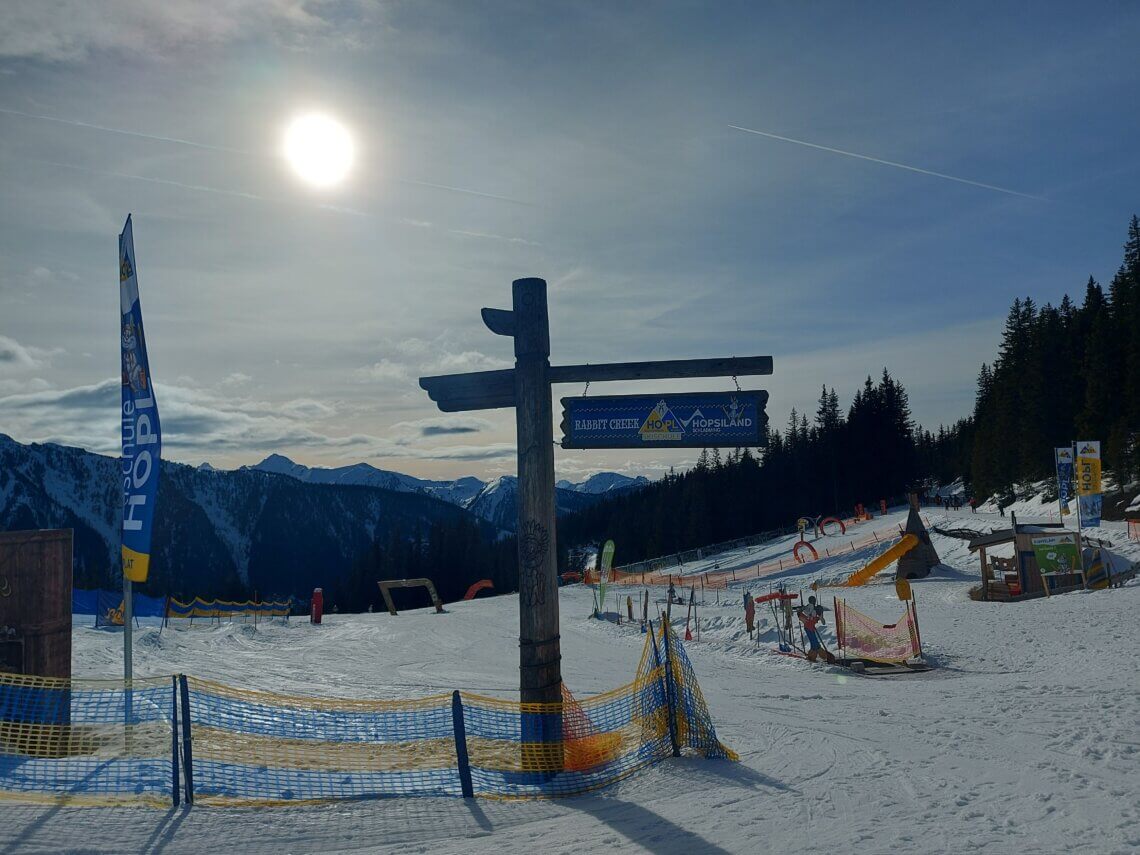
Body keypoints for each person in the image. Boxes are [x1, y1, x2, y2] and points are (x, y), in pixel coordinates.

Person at [798, 596, 835, 664]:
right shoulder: (809, 608)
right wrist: (802, 611)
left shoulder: (815, 610)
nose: (813, 603)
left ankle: (818, 654)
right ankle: (812, 656)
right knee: (814, 642)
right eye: (812, 601)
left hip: (811, 628)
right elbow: (803, 614)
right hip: (808, 628)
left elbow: (823, 621)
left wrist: (819, 617)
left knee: (816, 643)